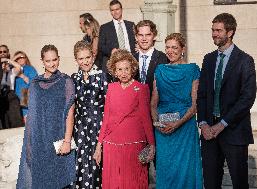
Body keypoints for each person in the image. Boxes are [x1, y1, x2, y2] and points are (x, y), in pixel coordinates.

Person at [197, 13, 257, 189]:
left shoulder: (245, 60)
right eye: (213, 30)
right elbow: (201, 95)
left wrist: (222, 124)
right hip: (209, 133)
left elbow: (247, 98)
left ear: (230, 32)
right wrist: (203, 123)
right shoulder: (208, 59)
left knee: (239, 183)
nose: (214, 34)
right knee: (210, 183)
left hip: (234, 131)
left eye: (218, 30)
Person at [93, 49, 155, 189]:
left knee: (134, 183)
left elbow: (146, 119)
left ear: (132, 68)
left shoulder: (141, 88)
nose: (123, 72)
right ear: (114, 71)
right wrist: (99, 146)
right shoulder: (111, 88)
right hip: (111, 145)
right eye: (119, 69)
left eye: (126, 68)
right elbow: (107, 118)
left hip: (134, 145)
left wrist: (151, 145)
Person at [17, 44, 76, 188]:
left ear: (59, 59)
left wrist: (67, 141)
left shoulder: (66, 81)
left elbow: (70, 113)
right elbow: (31, 117)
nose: (52, 63)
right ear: (42, 61)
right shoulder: (35, 83)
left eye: (54, 59)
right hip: (39, 142)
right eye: (48, 61)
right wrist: (29, 146)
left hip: (58, 140)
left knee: (60, 181)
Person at [151, 33, 203, 189]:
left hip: (185, 128)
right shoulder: (159, 70)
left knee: (186, 170)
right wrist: (157, 123)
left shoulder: (193, 69)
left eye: (174, 47)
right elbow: (153, 103)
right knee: (166, 170)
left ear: (182, 49)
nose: (170, 51)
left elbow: (195, 105)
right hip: (163, 129)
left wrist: (177, 123)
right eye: (167, 47)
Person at [71, 41, 108, 188]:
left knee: (97, 164)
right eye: (81, 58)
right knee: (80, 165)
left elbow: (109, 107)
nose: (85, 61)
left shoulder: (102, 76)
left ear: (93, 57)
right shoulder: (74, 78)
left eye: (87, 57)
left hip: (98, 127)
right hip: (79, 129)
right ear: (76, 60)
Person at [98, 0, 136, 72]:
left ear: (121, 10)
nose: (115, 12)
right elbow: (100, 46)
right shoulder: (104, 27)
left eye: (117, 9)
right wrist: (111, 51)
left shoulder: (131, 25)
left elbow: (136, 41)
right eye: (112, 10)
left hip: (131, 62)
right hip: (114, 63)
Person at [133, 20, 168, 94]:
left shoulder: (164, 59)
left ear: (154, 36)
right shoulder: (130, 59)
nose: (144, 39)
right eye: (140, 35)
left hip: (156, 104)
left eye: (148, 35)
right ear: (136, 37)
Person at [0, 47, 24, 129]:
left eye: (4, 51)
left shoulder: (11, 71)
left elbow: (19, 67)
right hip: (1, 96)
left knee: (15, 121)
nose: (2, 53)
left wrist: (7, 60)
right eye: (0, 52)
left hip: (10, 95)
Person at [14, 51, 38, 123]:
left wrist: (22, 76)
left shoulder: (30, 68)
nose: (20, 59)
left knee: (27, 124)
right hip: (15, 101)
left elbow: (34, 84)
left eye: (22, 57)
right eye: (18, 58)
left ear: (26, 58)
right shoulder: (13, 70)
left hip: (25, 100)